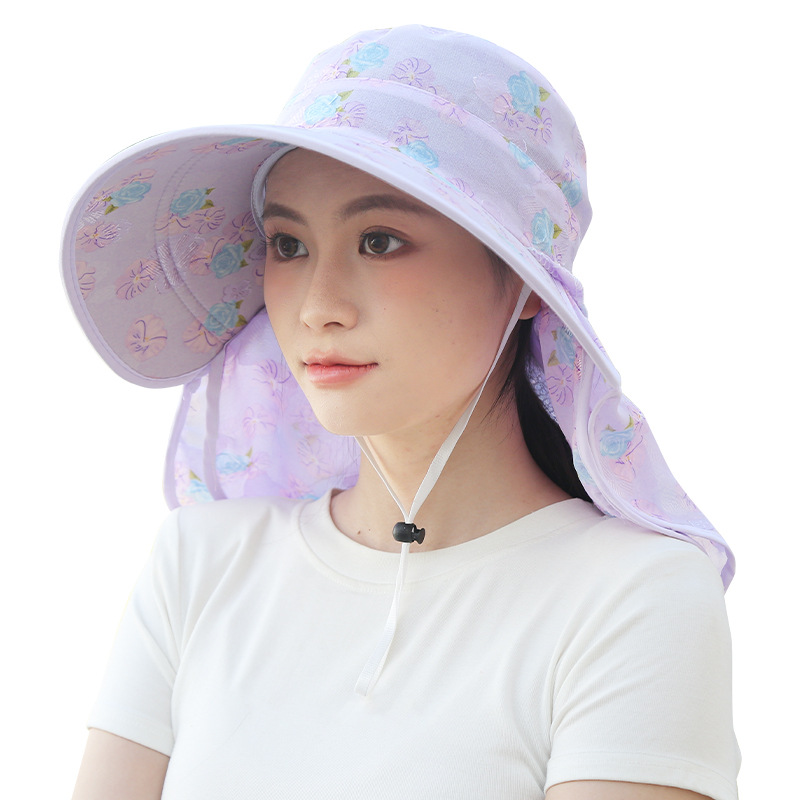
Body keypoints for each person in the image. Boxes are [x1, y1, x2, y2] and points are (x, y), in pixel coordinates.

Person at [63, 25, 739, 800]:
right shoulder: (202, 565)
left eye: (379, 241)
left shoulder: (632, 596)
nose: (317, 306)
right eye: (288, 245)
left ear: (522, 281)